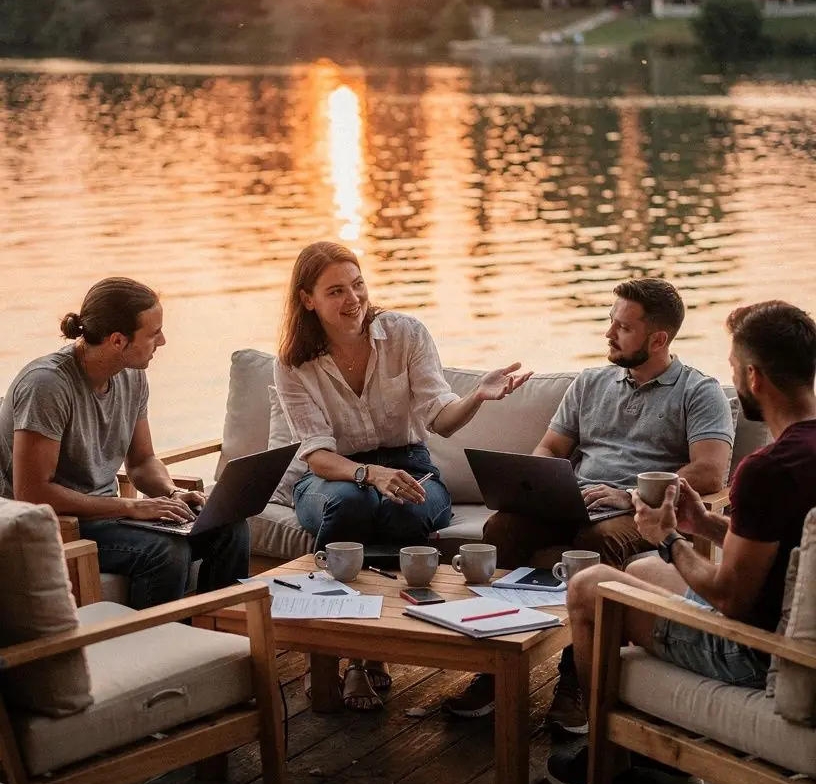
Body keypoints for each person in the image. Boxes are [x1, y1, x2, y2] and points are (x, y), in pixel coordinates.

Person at [545, 300, 816, 784]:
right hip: (787, 621)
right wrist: (703, 525)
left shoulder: (767, 469)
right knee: (642, 569)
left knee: (587, 587)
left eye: (734, 367)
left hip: (756, 651)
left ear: (754, 377)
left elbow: (730, 597)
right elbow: (790, 542)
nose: (732, 377)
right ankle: (659, 756)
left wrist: (667, 539)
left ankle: (609, 768)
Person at [443, 278, 733, 723]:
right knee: (502, 527)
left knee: (596, 539)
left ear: (659, 338)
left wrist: (632, 492)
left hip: (643, 512)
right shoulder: (590, 383)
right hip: (574, 500)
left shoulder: (698, 391)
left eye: (623, 327)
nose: (609, 333)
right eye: (610, 321)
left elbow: (711, 471)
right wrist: (547, 485)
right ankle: (493, 668)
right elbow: (551, 448)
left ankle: (576, 678)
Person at [275, 240, 531, 711]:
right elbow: (317, 455)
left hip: (409, 464)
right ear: (307, 299)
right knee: (353, 502)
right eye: (335, 291)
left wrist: (476, 396)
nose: (353, 299)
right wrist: (369, 474)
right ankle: (341, 659)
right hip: (331, 475)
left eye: (357, 285)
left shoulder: (405, 334)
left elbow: (441, 418)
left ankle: (369, 656)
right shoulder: (294, 364)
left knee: (404, 503)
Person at [0, 278, 249, 610]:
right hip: (54, 526)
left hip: (106, 516)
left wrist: (170, 493)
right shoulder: (47, 386)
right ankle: (155, 651)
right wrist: (132, 507)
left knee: (229, 529)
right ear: (118, 340)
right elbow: (33, 494)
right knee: (167, 552)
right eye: (153, 333)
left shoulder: (132, 375)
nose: (163, 340)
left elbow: (143, 461)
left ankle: (216, 640)